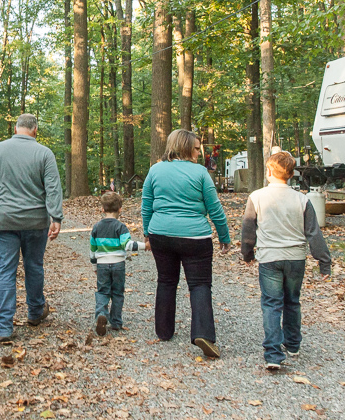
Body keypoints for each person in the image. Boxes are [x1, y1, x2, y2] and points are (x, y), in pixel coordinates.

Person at [142, 129, 231, 358]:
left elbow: (147, 204)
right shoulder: (201, 173)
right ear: (184, 147)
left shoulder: (155, 170)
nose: (199, 153)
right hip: (195, 237)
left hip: (161, 233)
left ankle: (163, 331)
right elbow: (215, 209)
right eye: (196, 148)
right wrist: (224, 237)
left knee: (166, 281)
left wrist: (147, 233)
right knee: (200, 284)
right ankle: (203, 334)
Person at [0, 113, 63, 344]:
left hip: (4, 220)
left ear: (16, 129)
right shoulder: (44, 153)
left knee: (5, 270)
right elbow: (53, 188)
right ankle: (35, 313)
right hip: (35, 221)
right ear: (35, 130)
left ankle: (4, 327)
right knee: (34, 266)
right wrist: (56, 216)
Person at [240, 151, 332, 371]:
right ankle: (292, 343)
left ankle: (273, 353)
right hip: (295, 258)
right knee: (292, 301)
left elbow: (248, 230)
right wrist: (323, 261)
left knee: (271, 304)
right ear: (290, 175)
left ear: (269, 171)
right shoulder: (302, 199)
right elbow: (313, 233)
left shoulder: (257, 197)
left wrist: (247, 253)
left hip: (269, 258)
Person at [89, 191, 145, 336]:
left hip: (102, 264)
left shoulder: (96, 227)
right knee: (118, 293)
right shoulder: (121, 227)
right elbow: (127, 245)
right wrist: (145, 246)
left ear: (102, 209)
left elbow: (92, 250)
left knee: (102, 291)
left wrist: (95, 266)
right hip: (118, 264)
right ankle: (116, 322)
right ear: (120, 209)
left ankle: (101, 313)